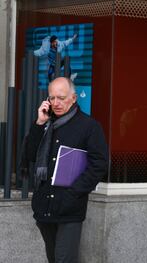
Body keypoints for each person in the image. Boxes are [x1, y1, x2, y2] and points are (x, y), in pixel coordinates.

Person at [20, 77, 108, 263]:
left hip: (69, 206)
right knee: (53, 258)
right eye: (52, 98)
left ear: (74, 98)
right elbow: (31, 155)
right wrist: (39, 123)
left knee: (64, 259)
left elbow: (99, 164)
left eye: (61, 97)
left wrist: (74, 193)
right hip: (44, 206)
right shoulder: (46, 124)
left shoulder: (89, 126)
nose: (56, 103)